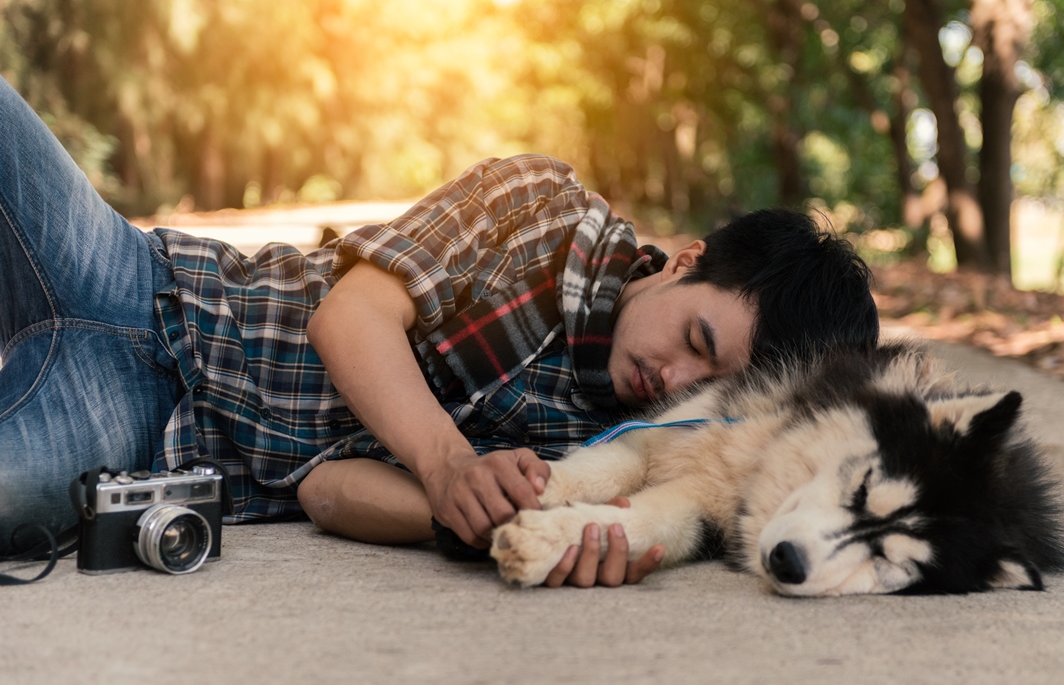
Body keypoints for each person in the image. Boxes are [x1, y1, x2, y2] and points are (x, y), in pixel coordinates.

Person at [0, 76, 879, 586]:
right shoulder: (543, 209)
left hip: (136, 443)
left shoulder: (606, 452)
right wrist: (449, 457)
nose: (675, 380)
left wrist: (478, 519)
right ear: (684, 262)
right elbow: (351, 314)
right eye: (696, 337)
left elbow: (326, 492)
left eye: (708, 385)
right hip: (131, 275)